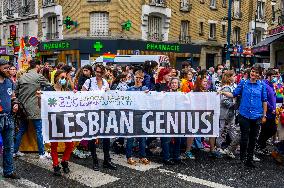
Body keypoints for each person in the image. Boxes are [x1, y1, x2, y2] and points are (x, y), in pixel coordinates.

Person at [220, 65, 267, 168]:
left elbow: (264, 101)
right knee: (244, 138)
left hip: (257, 115)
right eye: (253, 71)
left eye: (256, 72)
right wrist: (223, 92)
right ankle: (242, 159)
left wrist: (264, 115)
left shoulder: (262, 86)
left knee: (253, 138)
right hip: (244, 115)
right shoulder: (243, 83)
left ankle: (249, 160)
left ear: (259, 75)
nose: (253, 74)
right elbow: (234, 94)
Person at [38, 70, 74, 176]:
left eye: (65, 78)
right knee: (54, 145)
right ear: (56, 77)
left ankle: (64, 161)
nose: (64, 80)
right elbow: (41, 106)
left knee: (70, 144)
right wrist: (39, 98)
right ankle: (56, 165)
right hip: (53, 121)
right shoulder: (48, 90)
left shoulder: (66, 90)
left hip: (65, 121)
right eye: (62, 77)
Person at [14, 59, 51, 159]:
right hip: (35, 108)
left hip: (23, 109)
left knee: (21, 130)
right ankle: (41, 153)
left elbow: (16, 92)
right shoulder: (39, 76)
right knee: (39, 131)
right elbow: (49, 86)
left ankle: (14, 151)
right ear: (38, 66)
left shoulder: (21, 77)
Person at [82, 64, 116, 171]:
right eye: (97, 72)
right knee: (92, 138)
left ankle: (107, 160)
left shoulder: (106, 82)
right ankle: (95, 160)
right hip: (92, 113)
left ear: (104, 72)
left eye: (101, 72)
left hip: (104, 113)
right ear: (94, 71)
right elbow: (81, 95)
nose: (99, 74)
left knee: (106, 137)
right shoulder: (89, 82)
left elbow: (109, 97)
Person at [0, 59, 20, 179]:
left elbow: (13, 96)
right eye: (5, 68)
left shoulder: (9, 82)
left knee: (9, 146)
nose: (8, 70)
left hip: (8, 118)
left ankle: (8, 171)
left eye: (9, 68)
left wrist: (15, 103)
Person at [125, 70, 150, 165]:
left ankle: (142, 156)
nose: (138, 79)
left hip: (142, 116)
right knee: (130, 137)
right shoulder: (129, 90)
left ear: (143, 79)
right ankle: (129, 156)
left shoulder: (145, 89)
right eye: (137, 77)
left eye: (141, 78)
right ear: (133, 77)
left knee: (142, 138)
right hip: (131, 116)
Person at [216, 70, 239, 158]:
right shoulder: (226, 88)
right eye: (233, 76)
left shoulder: (228, 87)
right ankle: (218, 147)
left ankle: (233, 146)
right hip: (225, 114)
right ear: (229, 78)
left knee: (231, 130)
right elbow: (224, 101)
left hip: (229, 113)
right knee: (223, 131)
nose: (235, 77)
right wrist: (235, 104)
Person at [257, 69, 278, 155]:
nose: (275, 78)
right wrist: (270, 108)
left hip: (272, 112)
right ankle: (260, 145)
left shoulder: (271, 85)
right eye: (273, 76)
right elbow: (264, 99)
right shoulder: (264, 85)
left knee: (270, 130)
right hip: (267, 112)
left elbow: (273, 97)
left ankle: (261, 145)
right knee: (269, 130)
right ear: (268, 76)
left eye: (276, 77)